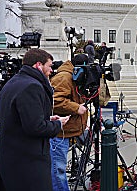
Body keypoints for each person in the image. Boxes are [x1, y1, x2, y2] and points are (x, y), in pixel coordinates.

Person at [0, 49, 69, 191]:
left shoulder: (13, 82)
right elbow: (36, 127)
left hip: (11, 160)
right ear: (38, 65)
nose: (51, 71)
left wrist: (47, 119)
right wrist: (57, 124)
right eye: (49, 66)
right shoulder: (32, 86)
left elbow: (18, 117)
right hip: (28, 163)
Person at [50, 54, 89, 191]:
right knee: (58, 170)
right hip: (60, 132)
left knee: (58, 169)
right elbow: (54, 101)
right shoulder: (64, 78)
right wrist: (76, 108)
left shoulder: (76, 76)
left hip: (70, 130)